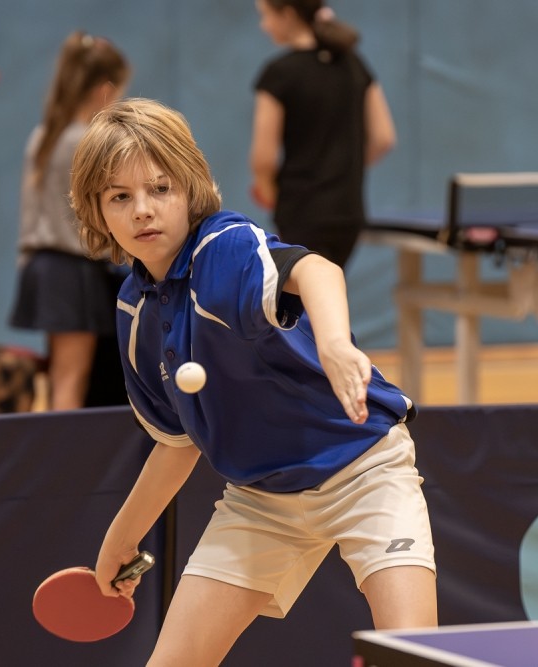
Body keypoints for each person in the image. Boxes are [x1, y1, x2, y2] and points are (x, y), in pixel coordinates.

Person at [69, 98, 437, 666]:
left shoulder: (226, 248)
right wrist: (122, 537)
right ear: (96, 211)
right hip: (261, 502)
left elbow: (316, 269)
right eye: (120, 196)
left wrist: (335, 344)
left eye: (160, 188)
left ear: (190, 188)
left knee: (414, 657)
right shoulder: (133, 313)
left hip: (364, 471)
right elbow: (178, 442)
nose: (143, 210)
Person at [9, 32, 130, 410]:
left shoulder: (43, 135)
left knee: (62, 375)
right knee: (71, 379)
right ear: (105, 90)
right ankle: (64, 450)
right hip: (72, 271)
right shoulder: (86, 141)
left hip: (44, 266)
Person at [249, 0, 396, 268]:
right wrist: (341, 170)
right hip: (348, 212)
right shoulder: (354, 64)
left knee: (303, 293)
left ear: (288, 14)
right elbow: (384, 138)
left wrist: (271, 194)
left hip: (301, 212)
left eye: (266, 16)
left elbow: (263, 160)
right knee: (330, 287)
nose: (263, 25)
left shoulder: (279, 73)